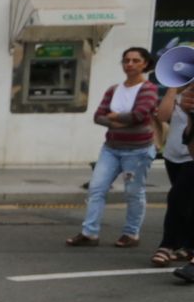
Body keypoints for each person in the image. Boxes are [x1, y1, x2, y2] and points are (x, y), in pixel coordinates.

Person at [67, 47, 159, 248]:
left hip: (137, 150)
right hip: (111, 148)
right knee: (96, 189)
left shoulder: (148, 89)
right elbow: (98, 116)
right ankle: (89, 233)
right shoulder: (113, 90)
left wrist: (115, 117)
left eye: (136, 60)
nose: (130, 64)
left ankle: (131, 234)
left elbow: (140, 115)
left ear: (145, 64)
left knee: (133, 192)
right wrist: (119, 122)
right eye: (126, 60)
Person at [152, 82, 194, 266]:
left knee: (176, 197)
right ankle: (188, 245)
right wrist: (172, 89)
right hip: (173, 154)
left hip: (191, 155)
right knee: (187, 203)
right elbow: (162, 116)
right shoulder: (179, 94)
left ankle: (167, 245)